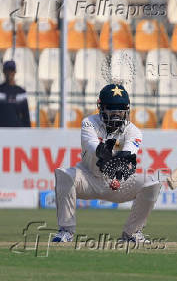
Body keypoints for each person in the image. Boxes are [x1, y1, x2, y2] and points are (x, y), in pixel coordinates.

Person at [52, 83, 161, 243]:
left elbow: (129, 153)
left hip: (117, 183)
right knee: (64, 174)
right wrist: (104, 153)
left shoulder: (134, 131)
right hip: (88, 178)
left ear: (127, 109)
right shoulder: (89, 122)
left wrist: (118, 172)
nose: (117, 113)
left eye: (121, 108)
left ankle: (132, 233)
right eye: (111, 108)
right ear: (101, 107)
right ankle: (66, 231)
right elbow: (92, 146)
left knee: (152, 183)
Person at [0, 60, 30, 127]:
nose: (9, 73)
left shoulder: (21, 92)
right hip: (2, 131)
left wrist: (28, 131)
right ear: (3, 72)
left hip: (17, 131)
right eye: (7, 70)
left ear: (15, 72)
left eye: (11, 70)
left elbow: (26, 115)